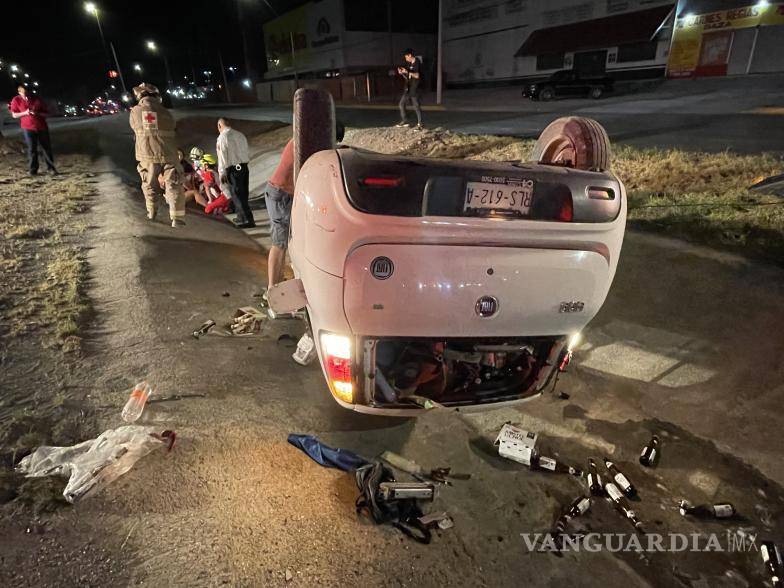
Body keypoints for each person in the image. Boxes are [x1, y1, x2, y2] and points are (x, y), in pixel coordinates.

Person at [266, 121, 345, 296]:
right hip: (281, 194)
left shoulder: (303, 139)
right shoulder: (307, 146)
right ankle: (272, 290)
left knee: (288, 241)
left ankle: (278, 286)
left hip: (282, 193)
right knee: (279, 243)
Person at [129, 82, 186, 227]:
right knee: (173, 183)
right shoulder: (166, 112)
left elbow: (135, 129)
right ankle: (177, 218)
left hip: (147, 154)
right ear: (156, 96)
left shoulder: (135, 111)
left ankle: (152, 213)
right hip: (169, 153)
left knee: (149, 184)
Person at [9, 84, 57, 176]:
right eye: (23, 94)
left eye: (27, 93)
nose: (26, 96)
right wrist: (25, 113)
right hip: (28, 128)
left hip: (41, 127)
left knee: (46, 148)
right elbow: (14, 115)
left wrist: (38, 113)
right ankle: (33, 170)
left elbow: (47, 113)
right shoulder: (16, 100)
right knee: (32, 149)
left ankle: (51, 168)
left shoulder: (37, 99)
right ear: (19, 93)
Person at [216, 118, 254, 228]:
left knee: (237, 195)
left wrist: (222, 172)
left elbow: (222, 157)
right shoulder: (240, 135)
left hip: (232, 169)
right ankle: (241, 216)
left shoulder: (222, 137)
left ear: (220, 126)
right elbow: (246, 151)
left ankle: (247, 220)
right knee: (243, 193)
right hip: (244, 167)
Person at [396, 49, 423, 130]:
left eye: (406, 57)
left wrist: (407, 72)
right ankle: (405, 121)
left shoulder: (418, 63)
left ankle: (420, 124)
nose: (405, 59)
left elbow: (417, 76)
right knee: (401, 104)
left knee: (416, 106)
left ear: (410, 55)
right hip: (408, 87)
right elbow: (407, 76)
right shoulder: (408, 63)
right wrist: (402, 73)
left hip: (415, 87)